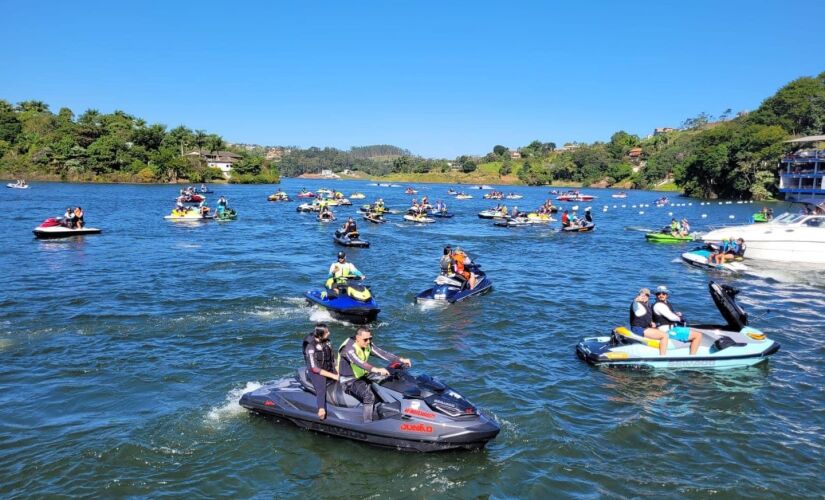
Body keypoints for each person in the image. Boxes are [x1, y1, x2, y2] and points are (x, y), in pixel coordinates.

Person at [336, 327, 411, 422]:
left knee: (387, 381)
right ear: (357, 338)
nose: (368, 341)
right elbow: (359, 362)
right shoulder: (348, 348)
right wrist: (376, 369)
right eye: (365, 339)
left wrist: (401, 360)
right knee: (369, 396)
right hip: (349, 380)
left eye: (370, 338)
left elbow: (382, 353)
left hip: (363, 376)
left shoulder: (367, 344)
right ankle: (367, 423)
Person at [303, 323, 339, 420]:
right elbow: (315, 368)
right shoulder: (310, 346)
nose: (329, 333)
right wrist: (334, 376)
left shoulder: (327, 342)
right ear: (320, 335)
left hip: (328, 368)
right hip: (316, 372)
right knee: (321, 387)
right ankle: (321, 409)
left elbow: (333, 358)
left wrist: (338, 370)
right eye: (327, 332)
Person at [651, 286, 701, 355]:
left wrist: (676, 314)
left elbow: (668, 313)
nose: (661, 295)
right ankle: (692, 357)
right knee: (697, 335)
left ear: (667, 295)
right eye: (658, 294)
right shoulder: (658, 305)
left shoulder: (665, 303)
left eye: (663, 293)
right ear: (656, 295)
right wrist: (680, 318)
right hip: (667, 331)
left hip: (671, 328)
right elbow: (671, 317)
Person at [629, 288, 669, 356]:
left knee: (660, 330)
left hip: (643, 328)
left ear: (648, 297)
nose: (644, 296)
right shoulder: (637, 304)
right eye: (642, 294)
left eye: (646, 295)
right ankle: (663, 356)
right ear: (639, 295)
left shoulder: (648, 306)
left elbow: (646, 318)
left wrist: (651, 323)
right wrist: (635, 300)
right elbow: (636, 306)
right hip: (638, 329)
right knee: (664, 336)